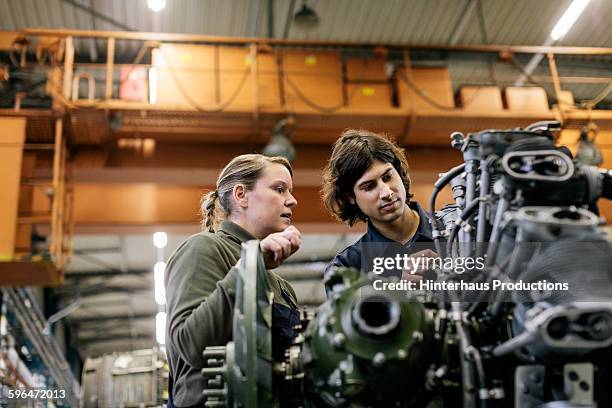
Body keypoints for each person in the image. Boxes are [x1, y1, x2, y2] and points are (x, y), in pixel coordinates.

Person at [164, 154, 302, 407]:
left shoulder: (283, 288)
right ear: (241, 195)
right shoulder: (204, 249)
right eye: (279, 189)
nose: (292, 200)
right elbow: (191, 344)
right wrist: (249, 266)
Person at [321, 129, 436, 293]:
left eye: (388, 177)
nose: (387, 193)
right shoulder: (345, 269)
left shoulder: (457, 232)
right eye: (369, 186)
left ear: (398, 170)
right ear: (350, 197)